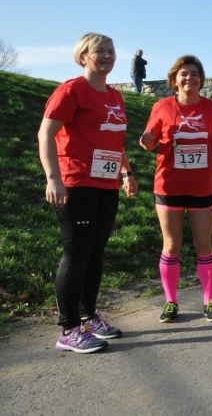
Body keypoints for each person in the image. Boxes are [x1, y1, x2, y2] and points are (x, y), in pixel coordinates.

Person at [38, 33, 137, 353]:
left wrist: (126, 172)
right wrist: (53, 178)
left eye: (111, 51)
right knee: (77, 253)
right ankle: (68, 330)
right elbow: (46, 133)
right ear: (83, 57)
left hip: (106, 185)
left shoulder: (114, 96)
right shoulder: (71, 90)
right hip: (76, 182)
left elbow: (115, 140)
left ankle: (88, 316)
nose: (108, 56)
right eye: (100, 51)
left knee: (96, 252)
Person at [139, 55, 212, 323]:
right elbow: (149, 143)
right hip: (169, 184)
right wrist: (146, 141)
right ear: (174, 80)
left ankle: (209, 300)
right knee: (171, 246)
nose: (189, 79)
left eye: (194, 74)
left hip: (201, 186)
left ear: (201, 80)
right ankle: (171, 301)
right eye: (183, 74)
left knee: (204, 245)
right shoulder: (161, 107)